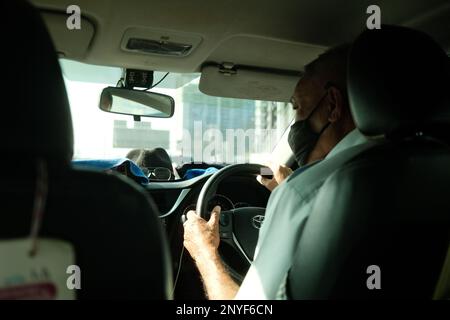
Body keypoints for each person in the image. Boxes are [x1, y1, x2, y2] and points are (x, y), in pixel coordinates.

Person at [183, 43, 370, 299]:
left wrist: (204, 252)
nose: (296, 123)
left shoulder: (305, 192)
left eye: (298, 107)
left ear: (333, 105)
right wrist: (292, 192)